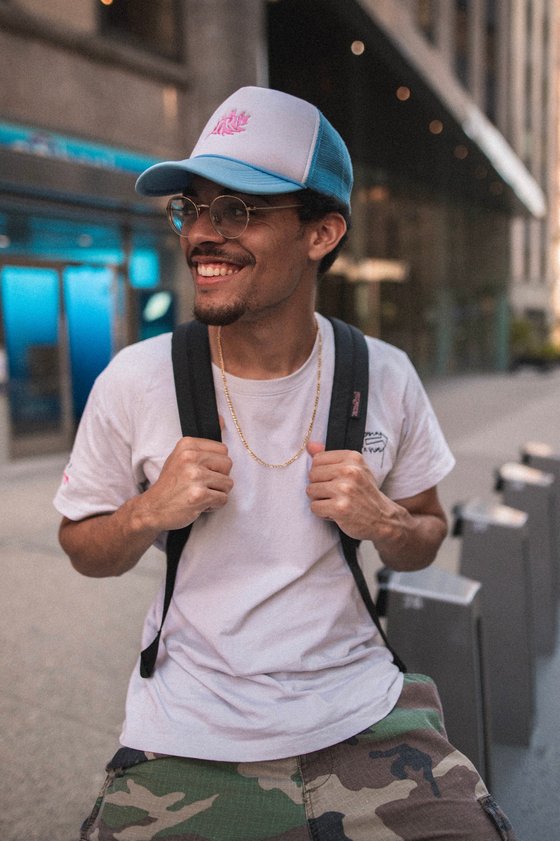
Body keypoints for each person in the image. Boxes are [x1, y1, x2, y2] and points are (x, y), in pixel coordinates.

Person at [54, 86, 517, 841]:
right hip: (187, 730)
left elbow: (428, 530)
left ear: (321, 232)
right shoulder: (136, 380)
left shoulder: (384, 375)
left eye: (237, 210)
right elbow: (82, 546)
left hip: (363, 712)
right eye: (191, 208)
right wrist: (146, 511)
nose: (202, 233)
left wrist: (385, 519)